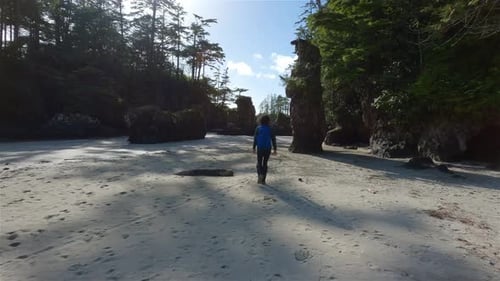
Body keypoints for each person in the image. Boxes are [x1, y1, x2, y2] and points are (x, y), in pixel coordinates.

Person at [253, 115, 277, 184]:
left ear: (260, 120)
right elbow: (273, 139)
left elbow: (255, 139)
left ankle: (259, 176)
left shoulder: (258, 128)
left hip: (260, 148)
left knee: (259, 162)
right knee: (265, 163)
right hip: (267, 148)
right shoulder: (270, 128)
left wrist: (254, 148)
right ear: (268, 121)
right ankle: (263, 180)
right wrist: (275, 149)